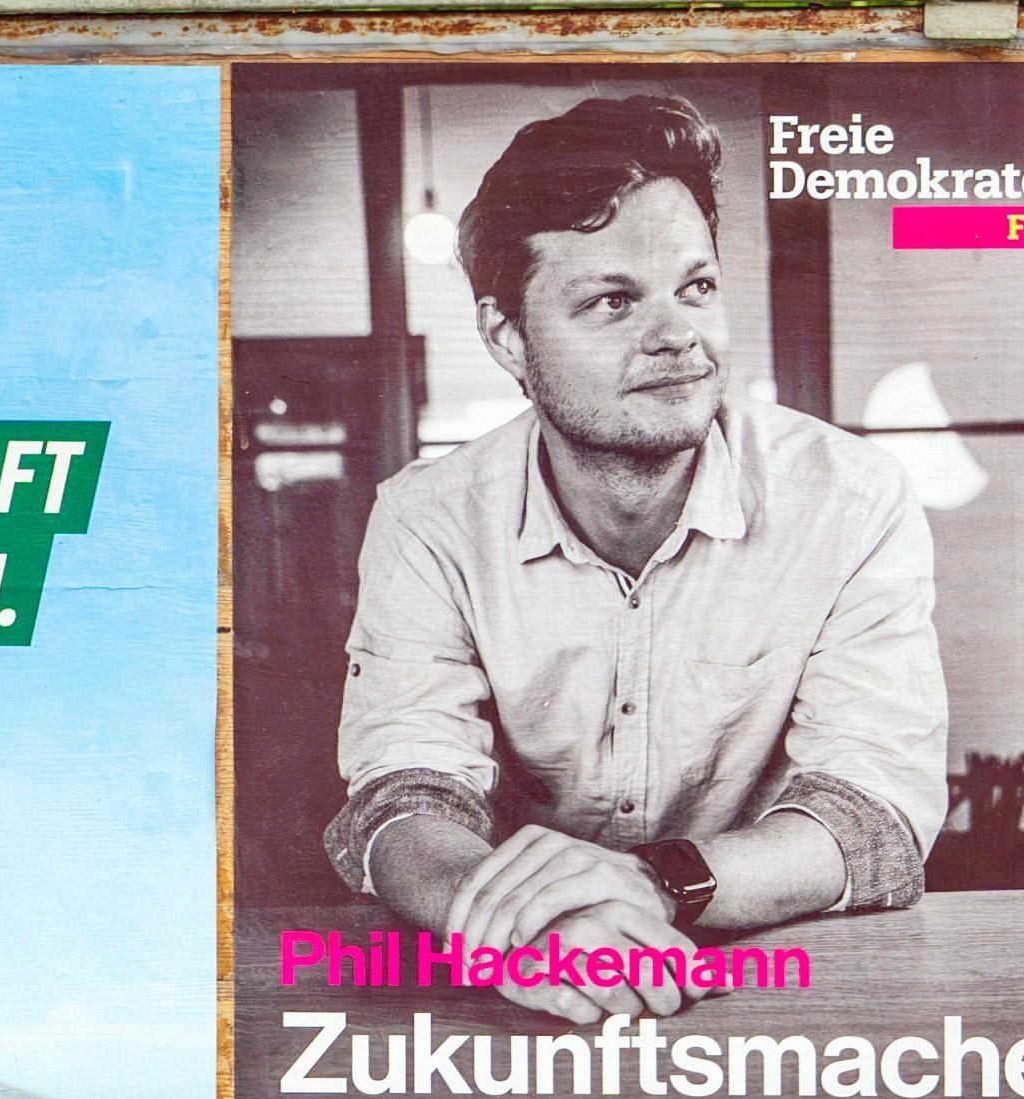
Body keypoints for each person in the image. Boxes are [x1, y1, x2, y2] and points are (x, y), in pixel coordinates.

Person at [326, 93, 952, 1000]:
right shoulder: (428, 519)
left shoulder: (851, 500)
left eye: (696, 287)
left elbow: (874, 813)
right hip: (517, 983)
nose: (679, 337)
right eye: (613, 302)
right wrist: (525, 921)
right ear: (508, 337)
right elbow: (403, 792)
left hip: (774, 982)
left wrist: (652, 882)